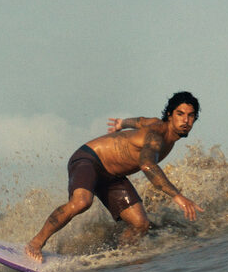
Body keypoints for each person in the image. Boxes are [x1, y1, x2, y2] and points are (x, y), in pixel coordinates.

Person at [25, 91, 204, 262]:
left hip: (112, 176)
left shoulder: (157, 126)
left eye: (190, 116)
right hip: (89, 159)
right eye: (180, 114)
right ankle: (36, 243)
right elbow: (147, 164)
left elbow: (140, 121)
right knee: (82, 202)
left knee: (140, 223)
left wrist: (121, 124)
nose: (185, 120)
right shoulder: (156, 136)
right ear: (170, 114)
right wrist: (177, 196)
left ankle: (122, 258)